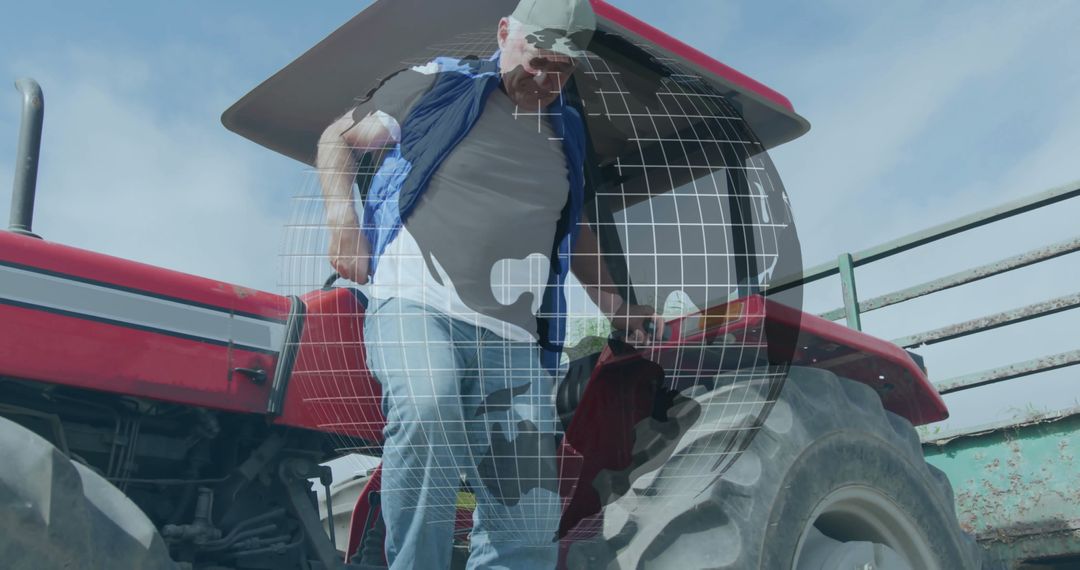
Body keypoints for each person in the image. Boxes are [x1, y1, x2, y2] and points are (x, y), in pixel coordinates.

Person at [316, 0, 662, 567]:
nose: (548, 79)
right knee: (429, 409)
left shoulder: (566, 131)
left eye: (564, 69)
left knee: (526, 516)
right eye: (538, 60)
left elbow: (570, 227)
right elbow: (338, 138)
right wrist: (343, 224)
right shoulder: (438, 85)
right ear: (506, 34)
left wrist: (614, 304)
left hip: (514, 342)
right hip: (418, 304)